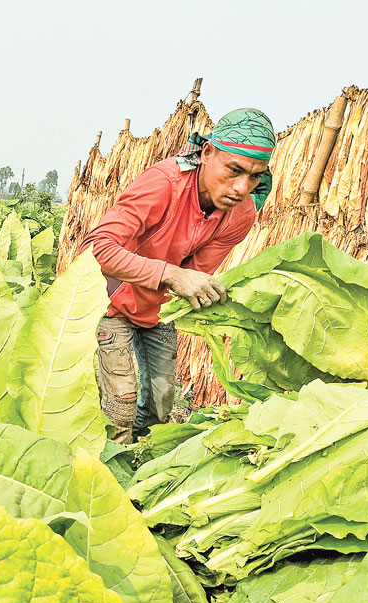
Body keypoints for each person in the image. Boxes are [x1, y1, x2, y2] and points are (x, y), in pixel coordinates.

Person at [80, 108, 275, 443]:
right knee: (120, 407)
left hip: (159, 311)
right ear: (207, 152)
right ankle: (105, 467)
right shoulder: (163, 184)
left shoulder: (240, 214)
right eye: (234, 170)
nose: (242, 188)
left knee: (161, 406)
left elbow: (195, 275)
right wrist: (171, 274)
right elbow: (96, 250)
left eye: (255, 177)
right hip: (111, 302)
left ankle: (139, 460)